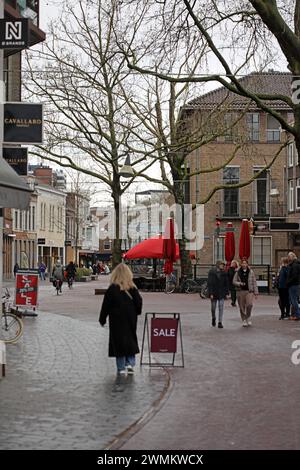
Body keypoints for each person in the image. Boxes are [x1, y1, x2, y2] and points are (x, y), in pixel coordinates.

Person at [99, 263, 143, 375]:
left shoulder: (112, 289)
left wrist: (102, 319)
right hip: (130, 318)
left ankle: (121, 367)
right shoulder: (133, 288)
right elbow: (139, 302)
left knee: (118, 341)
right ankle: (130, 363)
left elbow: (105, 306)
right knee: (130, 338)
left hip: (116, 320)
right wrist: (136, 312)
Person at [233, 258, 258, 327]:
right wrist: (239, 283)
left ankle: (248, 317)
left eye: (245, 263)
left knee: (249, 305)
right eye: (243, 263)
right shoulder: (237, 272)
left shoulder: (251, 272)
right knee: (242, 306)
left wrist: (256, 293)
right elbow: (234, 281)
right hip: (240, 291)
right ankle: (244, 319)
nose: (244, 264)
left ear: (247, 264)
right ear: (241, 264)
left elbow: (254, 282)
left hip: (249, 291)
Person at [207, 260, 229, 328]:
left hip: (221, 292)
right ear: (218, 265)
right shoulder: (212, 272)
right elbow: (209, 283)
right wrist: (210, 293)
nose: (223, 266)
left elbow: (226, 283)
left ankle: (220, 322)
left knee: (221, 307)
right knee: (213, 308)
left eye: (223, 265)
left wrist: (226, 292)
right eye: (222, 264)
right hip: (214, 292)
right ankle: (213, 318)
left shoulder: (224, 273)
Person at [286, 251, 300, 321]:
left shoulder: (294, 265)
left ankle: (297, 315)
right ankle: (295, 315)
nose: (288, 258)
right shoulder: (295, 264)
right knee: (294, 300)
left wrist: (288, 282)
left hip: (293, 285)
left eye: (289, 257)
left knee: (294, 301)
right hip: (295, 284)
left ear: (292, 257)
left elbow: (294, 276)